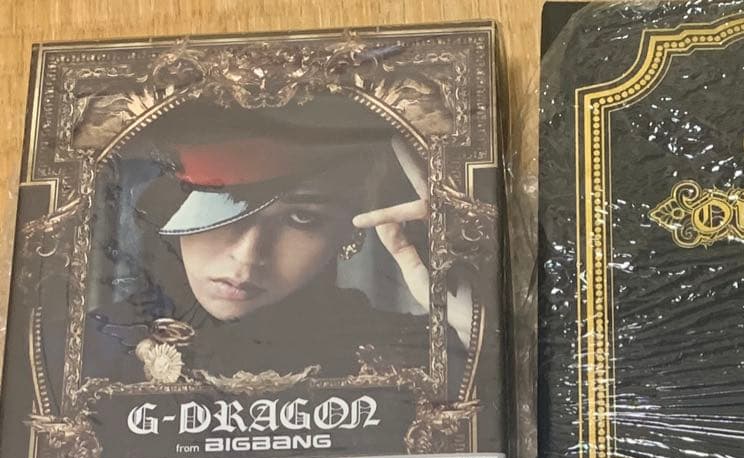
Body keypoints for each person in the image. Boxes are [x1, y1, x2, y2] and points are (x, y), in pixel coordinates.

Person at [83, 95, 469, 387]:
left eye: (302, 218)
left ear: (349, 230)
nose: (247, 256)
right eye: (220, 207)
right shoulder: (87, 348)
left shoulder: (412, 351)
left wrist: (467, 316)